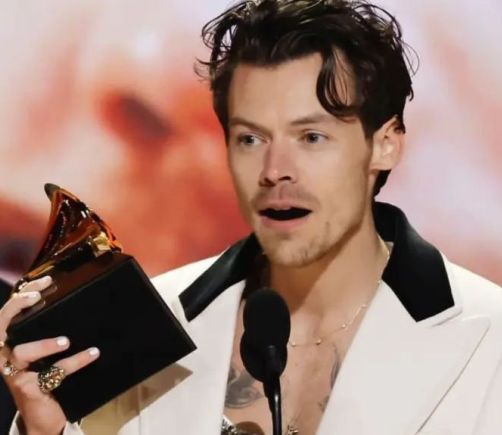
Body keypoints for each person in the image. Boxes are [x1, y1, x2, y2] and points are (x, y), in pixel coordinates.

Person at [1, 0, 502, 434]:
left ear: (385, 145)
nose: (274, 170)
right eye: (250, 139)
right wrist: (44, 429)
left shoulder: (489, 339)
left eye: (312, 137)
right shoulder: (151, 323)